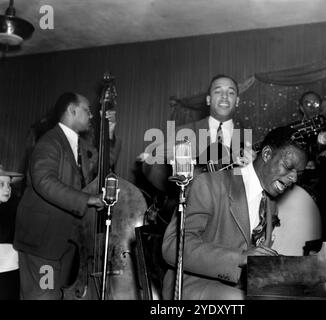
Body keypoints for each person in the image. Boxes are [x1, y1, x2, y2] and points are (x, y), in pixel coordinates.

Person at [161, 125, 308, 300]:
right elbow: (172, 247)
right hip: (190, 285)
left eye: (299, 173)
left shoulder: (270, 204)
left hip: (239, 288)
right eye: (288, 167)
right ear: (267, 154)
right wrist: (240, 258)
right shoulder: (209, 184)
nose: (294, 178)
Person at [13, 92, 120, 300]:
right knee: (43, 296)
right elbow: (44, 181)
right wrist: (87, 199)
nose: (91, 116)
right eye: (87, 111)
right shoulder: (49, 142)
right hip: (42, 243)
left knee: (54, 295)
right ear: (72, 110)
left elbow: (103, 165)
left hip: (63, 242)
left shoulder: (78, 146)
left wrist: (110, 131)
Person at [141, 74, 249, 194]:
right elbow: (160, 178)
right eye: (218, 91)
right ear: (208, 100)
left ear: (237, 101)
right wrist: (157, 157)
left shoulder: (251, 140)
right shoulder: (182, 133)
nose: (224, 96)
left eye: (231, 93)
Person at [0, 165, 23, 300]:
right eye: (1, 184)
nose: (7, 189)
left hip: (11, 273)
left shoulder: (14, 209)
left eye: (9, 184)